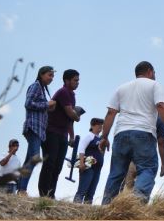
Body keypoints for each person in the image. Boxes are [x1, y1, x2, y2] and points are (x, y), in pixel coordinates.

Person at [99, 61, 164, 204]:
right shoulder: (155, 85)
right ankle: (134, 205)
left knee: (116, 173)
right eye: (154, 73)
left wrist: (104, 137)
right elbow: (160, 105)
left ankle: (106, 207)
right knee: (147, 169)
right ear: (150, 71)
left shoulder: (121, 88)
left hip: (121, 134)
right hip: (144, 133)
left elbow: (110, 113)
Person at [38, 69, 81, 198]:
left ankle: (51, 194)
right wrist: (77, 116)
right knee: (49, 163)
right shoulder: (63, 92)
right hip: (51, 132)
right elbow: (70, 113)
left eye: (78, 80)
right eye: (75, 80)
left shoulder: (72, 95)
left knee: (57, 166)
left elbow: (69, 120)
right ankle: (44, 194)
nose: (77, 83)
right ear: (67, 80)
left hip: (62, 135)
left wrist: (72, 137)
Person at [17, 65, 56, 194]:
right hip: (33, 127)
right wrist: (47, 104)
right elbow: (28, 103)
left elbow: (37, 105)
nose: (51, 78)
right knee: (34, 158)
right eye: (49, 75)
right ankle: (22, 189)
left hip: (38, 129)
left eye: (53, 76)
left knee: (29, 159)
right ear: (41, 74)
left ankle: (20, 188)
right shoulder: (36, 86)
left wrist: (47, 108)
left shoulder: (42, 89)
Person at [73, 118, 104, 204]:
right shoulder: (89, 136)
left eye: (101, 125)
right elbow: (81, 149)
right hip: (88, 167)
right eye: (98, 125)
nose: (100, 127)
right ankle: (75, 207)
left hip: (97, 169)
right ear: (92, 126)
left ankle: (87, 211)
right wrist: (82, 163)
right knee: (82, 190)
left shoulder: (101, 139)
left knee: (91, 192)